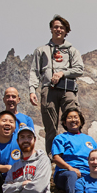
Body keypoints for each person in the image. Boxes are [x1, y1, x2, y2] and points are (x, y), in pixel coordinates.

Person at [28, 15, 84, 154]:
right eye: (55, 27)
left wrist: (62, 73)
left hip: (68, 90)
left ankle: (75, 153)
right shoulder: (41, 51)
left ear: (66, 31)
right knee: (50, 126)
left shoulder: (72, 50)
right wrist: (32, 90)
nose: (58, 29)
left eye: (61, 27)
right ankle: (51, 157)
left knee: (73, 121)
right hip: (48, 89)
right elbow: (34, 71)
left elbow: (79, 69)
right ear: (51, 29)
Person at [2, 125, 51, 193]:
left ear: (34, 140)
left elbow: (37, 188)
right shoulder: (15, 167)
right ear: (18, 141)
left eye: (29, 137)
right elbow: (6, 191)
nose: (26, 140)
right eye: (22, 137)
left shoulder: (42, 160)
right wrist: (22, 184)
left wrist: (17, 192)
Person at [52, 108, 97, 193]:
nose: (73, 120)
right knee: (72, 175)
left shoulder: (89, 139)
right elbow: (56, 158)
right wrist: (71, 168)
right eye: (69, 118)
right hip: (66, 173)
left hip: (87, 173)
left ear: (81, 121)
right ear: (64, 123)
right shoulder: (61, 138)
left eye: (76, 117)